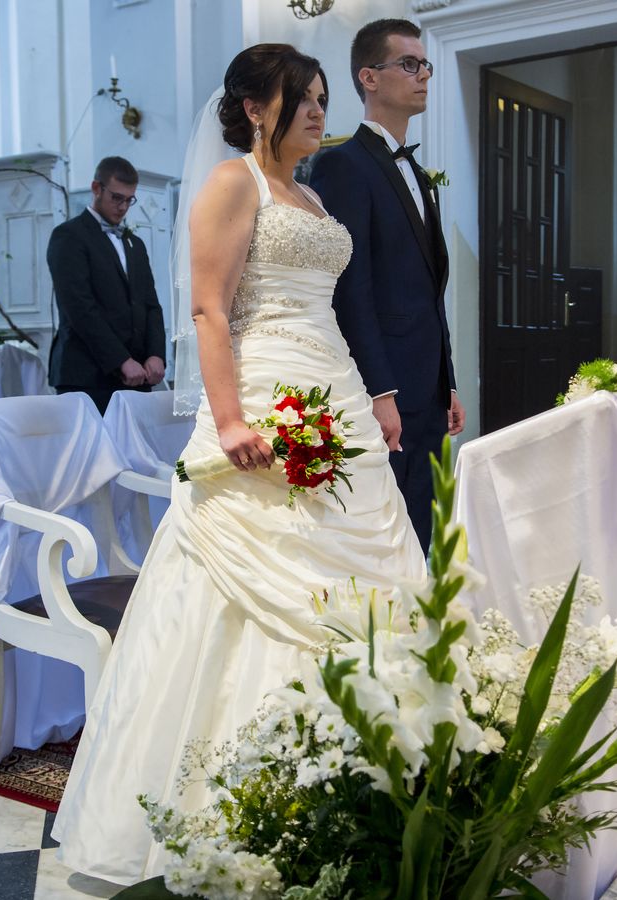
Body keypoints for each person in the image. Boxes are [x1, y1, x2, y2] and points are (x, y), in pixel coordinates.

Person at [52, 45, 426, 886]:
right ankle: (238, 815)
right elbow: (209, 311)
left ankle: (362, 793)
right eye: (303, 97)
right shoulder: (234, 183)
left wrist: (370, 397)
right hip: (260, 396)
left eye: (324, 97)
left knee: (365, 577)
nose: (319, 111)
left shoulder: (313, 195)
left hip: (333, 387)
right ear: (256, 107)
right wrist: (228, 420)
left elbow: (335, 308)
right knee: (248, 590)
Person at [310, 18, 465, 554]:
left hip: (427, 384)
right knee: (386, 533)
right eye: (409, 64)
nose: (423, 75)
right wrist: (379, 391)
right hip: (387, 388)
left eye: (426, 65)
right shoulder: (342, 166)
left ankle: (420, 609)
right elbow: (350, 289)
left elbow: (428, 290)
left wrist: (447, 381)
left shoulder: (417, 174)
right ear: (369, 77)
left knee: (424, 522)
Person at [47, 156, 166, 415]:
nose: (123, 207)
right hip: (87, 375)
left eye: (129, 200)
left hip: (137, 375)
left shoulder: (135, 244)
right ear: (96, 188)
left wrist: (156, 354)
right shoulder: (69, 236)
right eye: (116, 198)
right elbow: (79, 308)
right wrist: (120, 360)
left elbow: (150, 304)